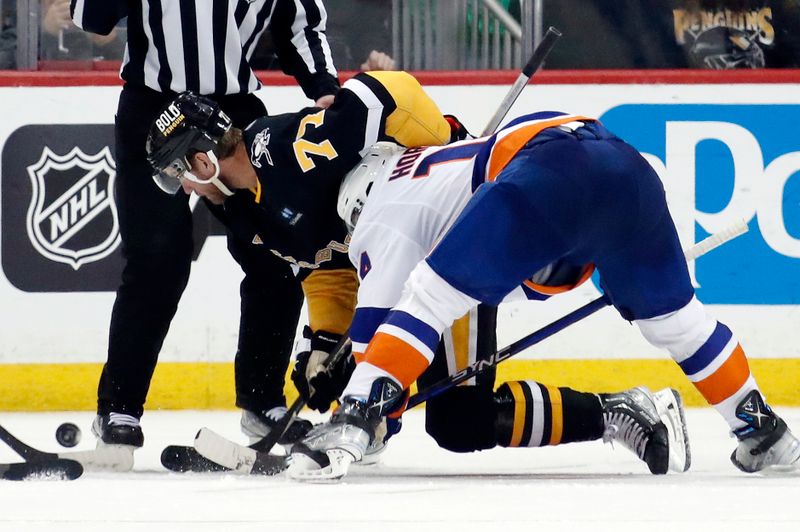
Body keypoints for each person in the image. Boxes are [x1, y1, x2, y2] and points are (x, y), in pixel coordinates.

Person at [146, 72, 692, 477]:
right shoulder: (247, 208)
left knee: (459, 419)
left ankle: (620, 411)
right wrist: (324, 341)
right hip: (396, 259)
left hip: (452, 238)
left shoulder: (286, 154)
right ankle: (613, 411)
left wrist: (443, 148)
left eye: (180, 173)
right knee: (455, 423)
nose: (187, 190)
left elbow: (389, 93)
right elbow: (326, 267)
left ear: (201, 161)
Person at [286, 111, 800, 480]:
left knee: (429, 297)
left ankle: (349, 424)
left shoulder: (379, 209)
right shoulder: (429, 167)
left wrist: (359, 410)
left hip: (550, 174)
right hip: (626, 170)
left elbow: (384, 319)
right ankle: (764, 433)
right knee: (679, 324)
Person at [70, 0, 339, 467]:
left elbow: (299, 24)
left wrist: (325, 88)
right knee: (157, 262)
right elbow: (89, 15)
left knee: (273, 257)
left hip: (234, 114)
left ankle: (261, 400)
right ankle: (120, 408)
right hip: (155, 111)